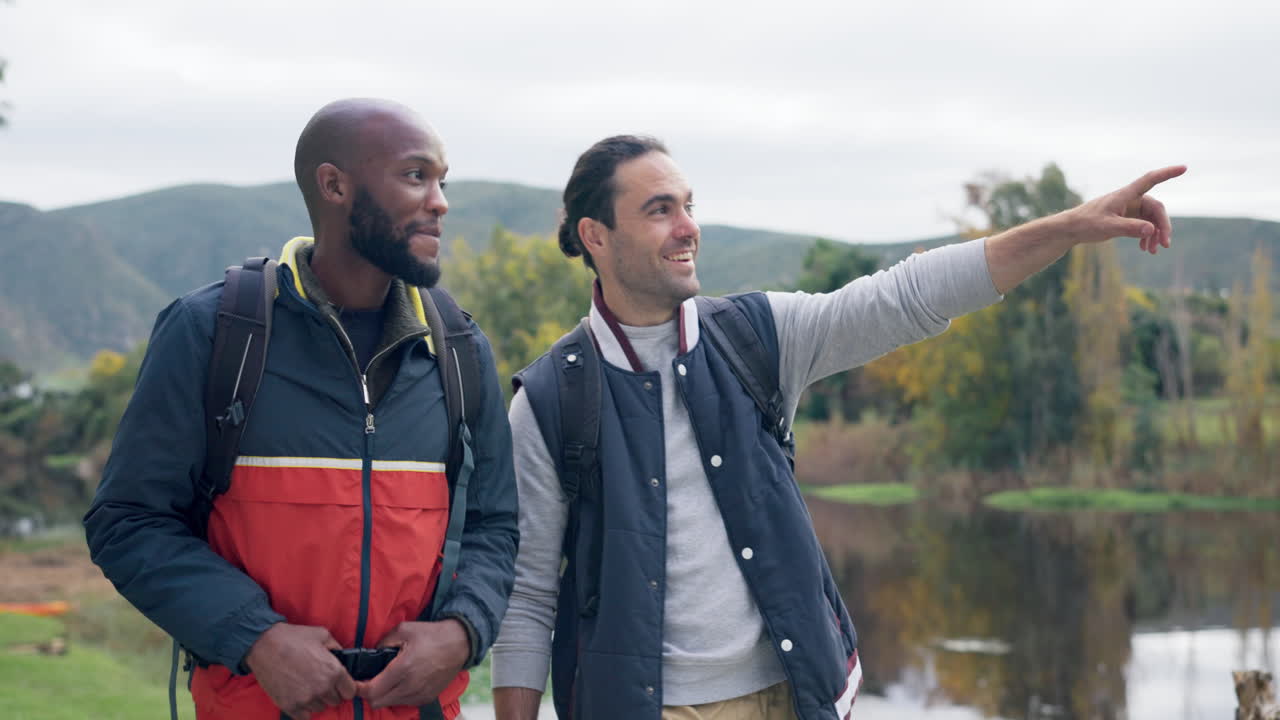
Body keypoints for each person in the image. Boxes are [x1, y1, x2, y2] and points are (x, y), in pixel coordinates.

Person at [489, 135, 1183, 720]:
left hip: (794, 697)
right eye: (659, 209)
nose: (687, 226)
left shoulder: (756, 337)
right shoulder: (549, 399)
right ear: (595, 236)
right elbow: (526, 600)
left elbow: (909, 295)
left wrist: (1070, 227)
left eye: (689, 205)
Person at [84, 98, 519, 720]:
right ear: (335, 185)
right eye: (416, 175)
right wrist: (256, 638)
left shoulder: (459, 350)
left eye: (442, 181)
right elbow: (126, 521)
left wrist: (463, 630)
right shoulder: (214, 333)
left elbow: (495, 524)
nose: (441, 201)